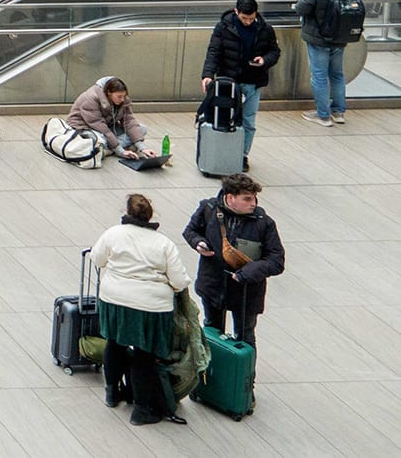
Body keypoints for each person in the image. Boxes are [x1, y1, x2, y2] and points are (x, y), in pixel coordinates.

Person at [88, 193, 193, 426]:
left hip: (115, 300)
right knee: (145, 354)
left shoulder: (113, 233)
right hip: (151, 307)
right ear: (150, 215)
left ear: (127, 212)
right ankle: (142, 410)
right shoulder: (163, 243)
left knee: (115, 343)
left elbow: (97, 259)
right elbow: (179, 280)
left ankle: (111, 393)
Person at [181, 173, 284, 345]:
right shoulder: (209, 209)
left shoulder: (264, 223)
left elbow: (276, 260)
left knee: (245, 337)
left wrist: (249, 272)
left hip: (247, 293)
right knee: (212, 332)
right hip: (213, 285)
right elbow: (190, 231)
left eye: (254, 199)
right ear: (230, 197)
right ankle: (211, 371)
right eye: (247, 199)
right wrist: (198, 242)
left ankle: (243, 372)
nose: (253, 204)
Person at [201, 0, 281, 169]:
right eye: (244, 18)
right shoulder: (224, 27)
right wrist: (207, 74)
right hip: (229, 82)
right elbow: (214, 52)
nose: (247, 22)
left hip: (253, 81)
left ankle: (242, 155)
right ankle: (224, 152)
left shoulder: (265, 29)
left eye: (251, 18)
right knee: (225, 119)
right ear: (236, 12)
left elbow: (274, 52)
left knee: (249, 121)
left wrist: (264, 60)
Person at [291, 0, 362, 125]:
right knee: (337, 74)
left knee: (319, 76)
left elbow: (301, 9)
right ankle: (338, 112)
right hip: (340, 37)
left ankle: (323, 115)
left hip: (318, 38)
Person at [65, 75, 165, 169]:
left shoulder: (122, 100)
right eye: (119, 96)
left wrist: (142, 148)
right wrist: (121, 151)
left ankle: (106, 150)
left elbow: (129, 122)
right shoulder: (91, 98)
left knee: (142, 129)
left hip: (108, 127)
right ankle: (111, 147)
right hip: (83, 128)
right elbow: (102, 128)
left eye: (124, 96)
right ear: (109, 93)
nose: (122, 99)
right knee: (101, 140)